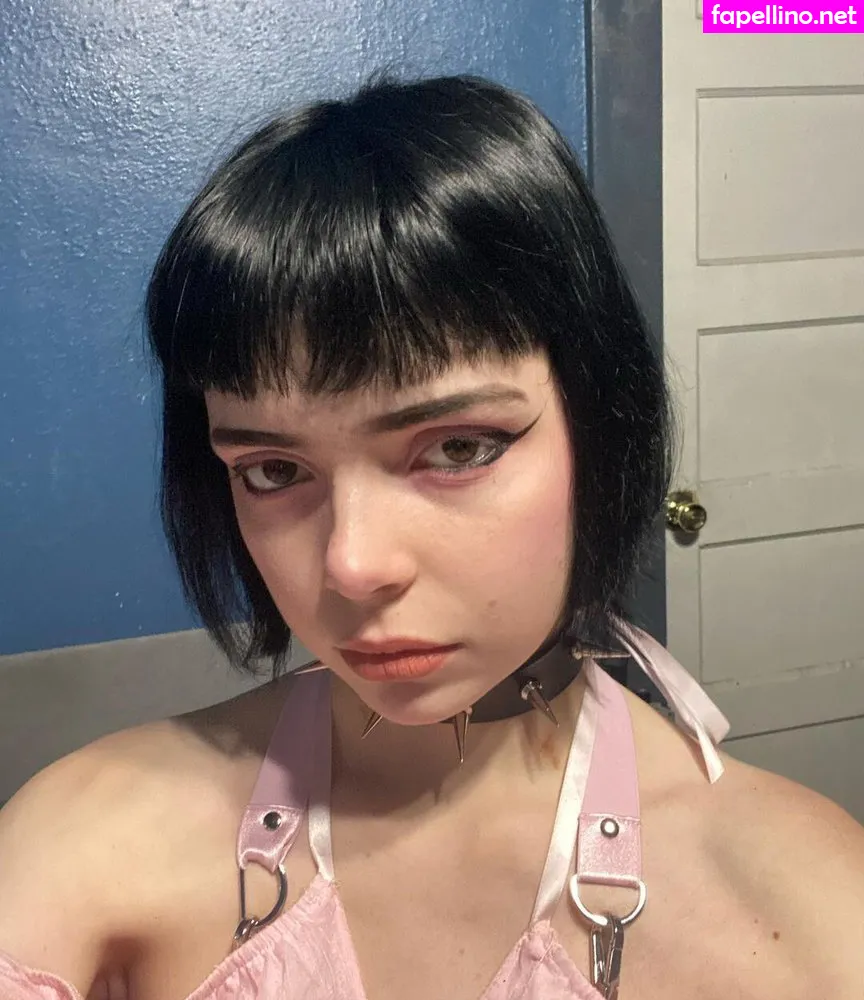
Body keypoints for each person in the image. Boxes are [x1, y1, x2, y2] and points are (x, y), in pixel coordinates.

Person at [0, 74, 862, 1000]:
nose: (353, 566)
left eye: (458, 448)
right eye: (274, 471)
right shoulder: (93, 831)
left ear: (600, 428)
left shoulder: (808, 913)